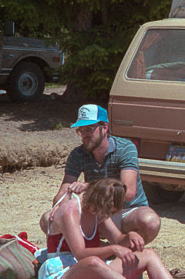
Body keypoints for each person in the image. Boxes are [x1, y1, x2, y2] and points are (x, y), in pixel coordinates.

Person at [38, 178, 185, 279]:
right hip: (60, 277)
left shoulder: (96, 210)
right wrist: (113, 249)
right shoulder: (70, 211)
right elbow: (80, 254)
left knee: (148, 254)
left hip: (89, 275)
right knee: (93, 262)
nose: (108, 214)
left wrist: (130, 236)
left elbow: (118, 239)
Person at [55, 104, 161, 246]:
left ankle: (124, 252)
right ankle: (104, 250)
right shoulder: (77, 154)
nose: (84, 135)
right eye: (81, 130)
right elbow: (63, 192)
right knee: (47, 220)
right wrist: (58, 206)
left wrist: (88, 187)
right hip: (98, 212)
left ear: (104, 128)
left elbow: (128, 192)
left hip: (127, 210)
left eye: (89, 129)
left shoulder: (125, 148)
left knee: (150, 221)